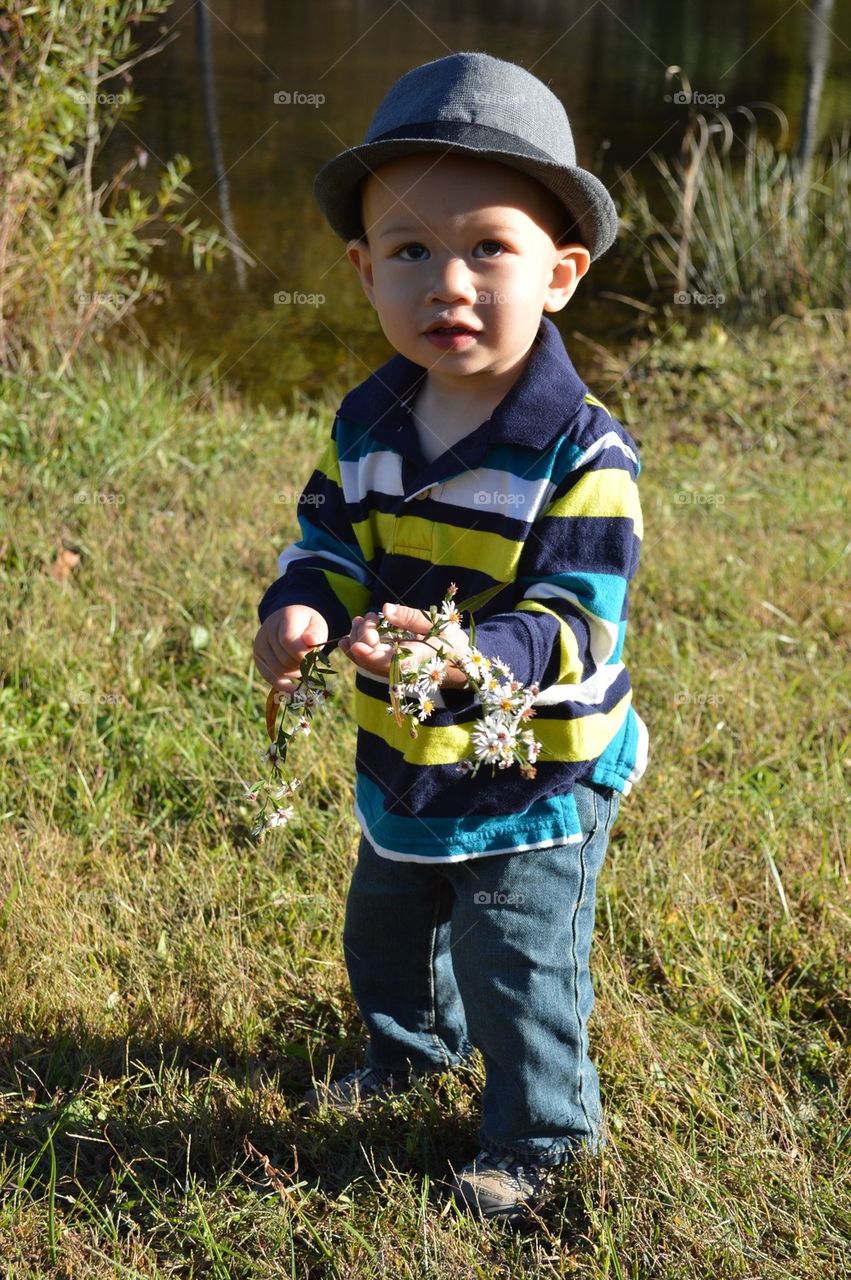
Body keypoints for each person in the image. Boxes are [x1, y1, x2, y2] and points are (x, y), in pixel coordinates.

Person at [253, 50, 649, 1224]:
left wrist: (465, 656)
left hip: (539, 762)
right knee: (385, 925)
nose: (449, 281)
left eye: (489, 247)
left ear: (560, 273)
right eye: (413, 251)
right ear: (364, 269)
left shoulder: (582, 451)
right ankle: (407, 1052)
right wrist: (304, 604)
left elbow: (573, 616)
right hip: (406, 752)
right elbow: (326, 533)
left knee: (516, 956)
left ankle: (541, 1134)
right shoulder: (369, 419)